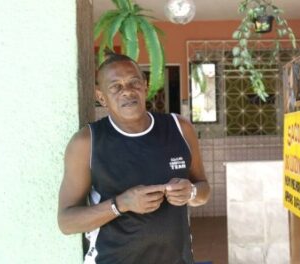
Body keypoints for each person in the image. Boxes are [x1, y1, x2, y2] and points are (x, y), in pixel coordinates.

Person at [58, 52, 210, 264]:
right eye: (116, 87)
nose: (127, 91)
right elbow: (67, 222)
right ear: (101, 96)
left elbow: (203, 191)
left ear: (145, 86)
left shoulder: (180, 128)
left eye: (133, 82)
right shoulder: (87, 143)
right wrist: (121, 204)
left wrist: (191, 191)